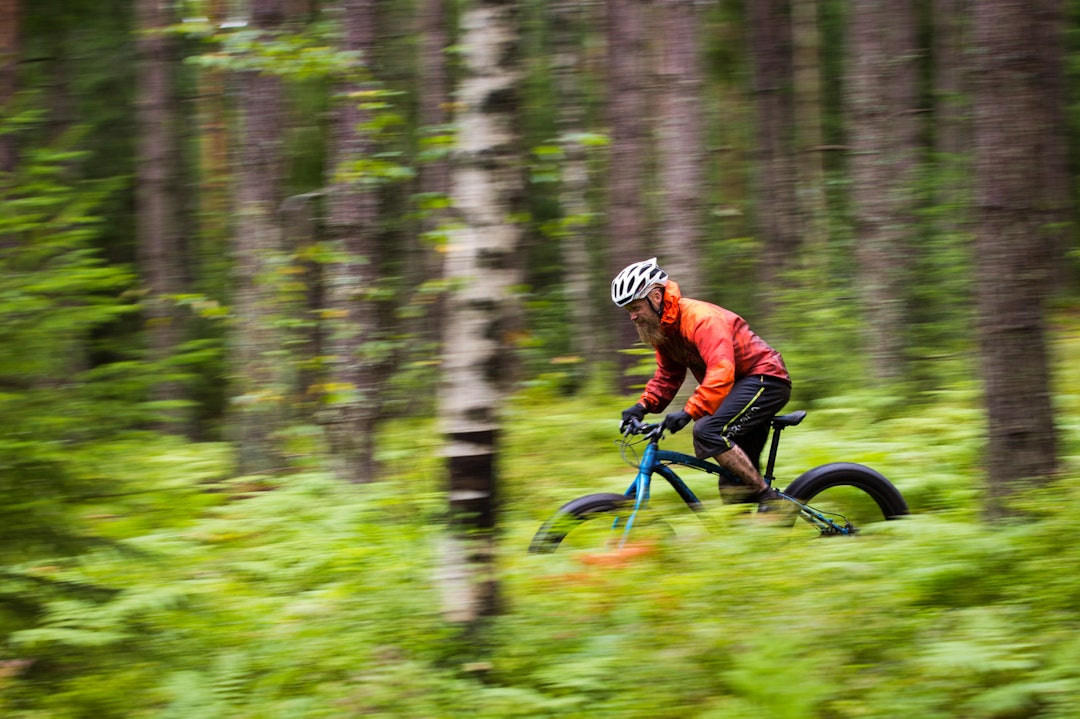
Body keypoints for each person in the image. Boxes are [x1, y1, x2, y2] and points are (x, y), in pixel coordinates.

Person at [611, 258, 792, 511]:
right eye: (627, 310)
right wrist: (642, 406)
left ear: (655, 297)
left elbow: (721, 369)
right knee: (734, 490)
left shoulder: (701, 319)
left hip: (765, 378)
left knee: (707, 430)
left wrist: (689, 412)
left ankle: (771, 501)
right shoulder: (664, 331)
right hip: (736, 389)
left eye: (635, 307)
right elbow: (668, 376)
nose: (632, 316)